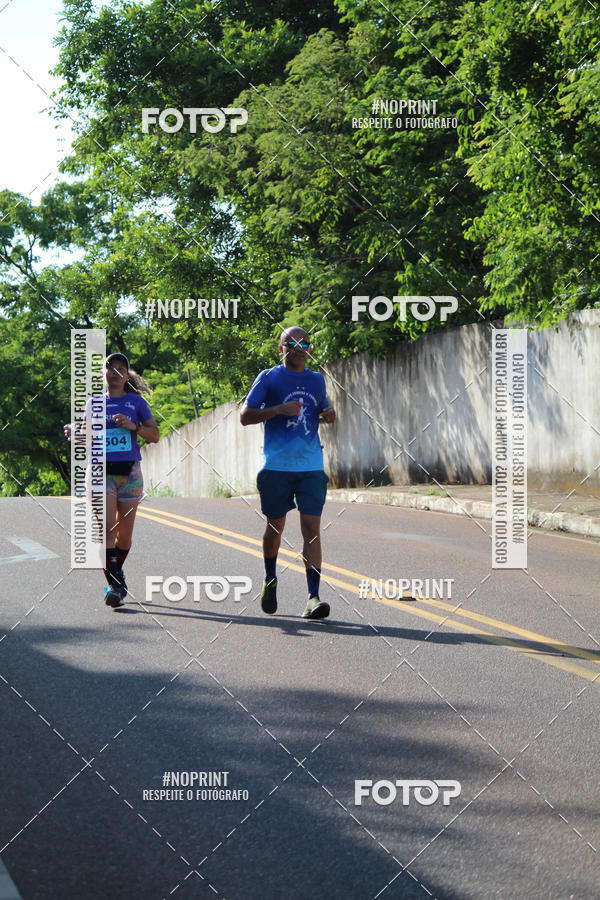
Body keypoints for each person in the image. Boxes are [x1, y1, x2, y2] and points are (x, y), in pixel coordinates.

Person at [240, 327, 336, 619]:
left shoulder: (316, 379)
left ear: (309, 348)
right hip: (277, 466)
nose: (297, 347)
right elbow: (245, 416)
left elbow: (321, 411)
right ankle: (270, 578)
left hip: (311, 466)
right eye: (290, 343)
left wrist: (329, 415)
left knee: (312, 529)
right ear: (281, 349)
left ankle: (313, 597)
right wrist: (279, 409)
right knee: (275, 527)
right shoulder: (269, 377)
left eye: (303, 343)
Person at [65, 353, 159, 607]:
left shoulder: (136, 403)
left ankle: (116, 574)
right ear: (103, 374)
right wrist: (75, 435)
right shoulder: (93, 403)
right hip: (99, 473)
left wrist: (133, 426)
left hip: (130, 474)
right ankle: (115, 585)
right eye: (110, 368)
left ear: (127, 376)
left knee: (124, 537)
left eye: (120, 369)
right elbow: (85, 438)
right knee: (107, 529)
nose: (115, 373)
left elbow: (155, 435)